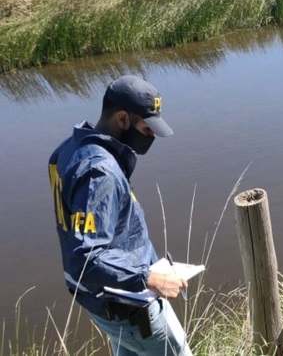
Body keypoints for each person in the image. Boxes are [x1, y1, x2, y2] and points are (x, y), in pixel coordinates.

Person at [48, 75, 192, 356]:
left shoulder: (69, 149)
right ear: (123, 119)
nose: (151, 136)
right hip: (130, 305)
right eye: (146, 128)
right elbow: (85, 259)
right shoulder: (99, 171)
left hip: (106, 300)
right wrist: (149, 278)